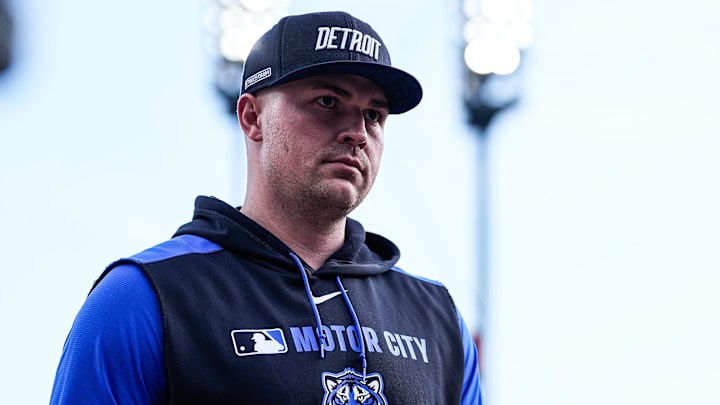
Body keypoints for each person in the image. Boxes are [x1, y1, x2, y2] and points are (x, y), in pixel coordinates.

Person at [50, 11, 481, 404]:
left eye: (374, 115)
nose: (357, 132)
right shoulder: (145, 298)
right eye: (327, 102)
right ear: (252, 117)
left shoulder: (437, 318)